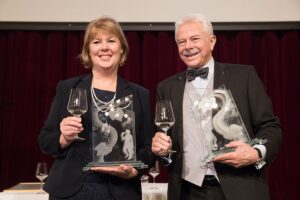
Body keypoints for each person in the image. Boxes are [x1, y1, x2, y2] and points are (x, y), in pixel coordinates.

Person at [151, 13, 282, 200]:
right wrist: (163, 152)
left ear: (212, 41)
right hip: (187, 192)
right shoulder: (166, 87)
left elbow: (271, 127)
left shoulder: (243, 77)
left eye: (195, 39)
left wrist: (256, 152)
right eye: (181, 42)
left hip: (240, 188)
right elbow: (168, 147)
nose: (188, 46)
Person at [39, 16, 155, 200]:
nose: (104, 47)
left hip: (120, 191)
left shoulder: (140, 94)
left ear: (122, 49)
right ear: (88, 50)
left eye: (111, 41)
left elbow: (148, 148)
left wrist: (134, 170)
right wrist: (63, 138)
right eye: (96, 42)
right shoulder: (68, 88)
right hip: (70, 191)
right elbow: (45, 140)